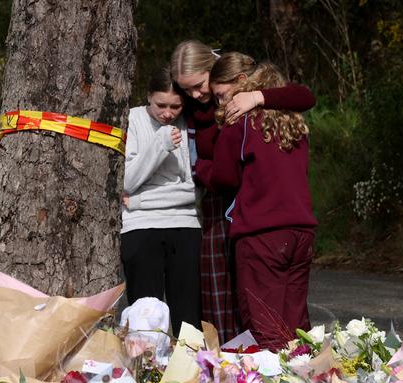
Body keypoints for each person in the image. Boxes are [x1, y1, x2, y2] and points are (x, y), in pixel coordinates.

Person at [170, 40, 316, 344]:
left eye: (203, 87)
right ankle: (303, 382)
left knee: (264, 326)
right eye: (187, 92)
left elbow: (224, 177)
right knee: (296, 325)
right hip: (300, 227)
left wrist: (199, 167)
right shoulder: (289, 120)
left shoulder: (237, 117)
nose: (198, 96)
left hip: (257, 228)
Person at [120, 65, 201, 336]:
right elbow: (127, 181)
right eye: (161, 105)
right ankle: (146, 370)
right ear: (148, 97)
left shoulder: (190, 123)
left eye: (175, 107)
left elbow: (193, 189)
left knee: (188, 314)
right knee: (145, 314)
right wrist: (160, 144)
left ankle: (191, 370)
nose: (167, 113)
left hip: (185, 223)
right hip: (140, 227)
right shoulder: (131, 119)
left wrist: (142, 200)